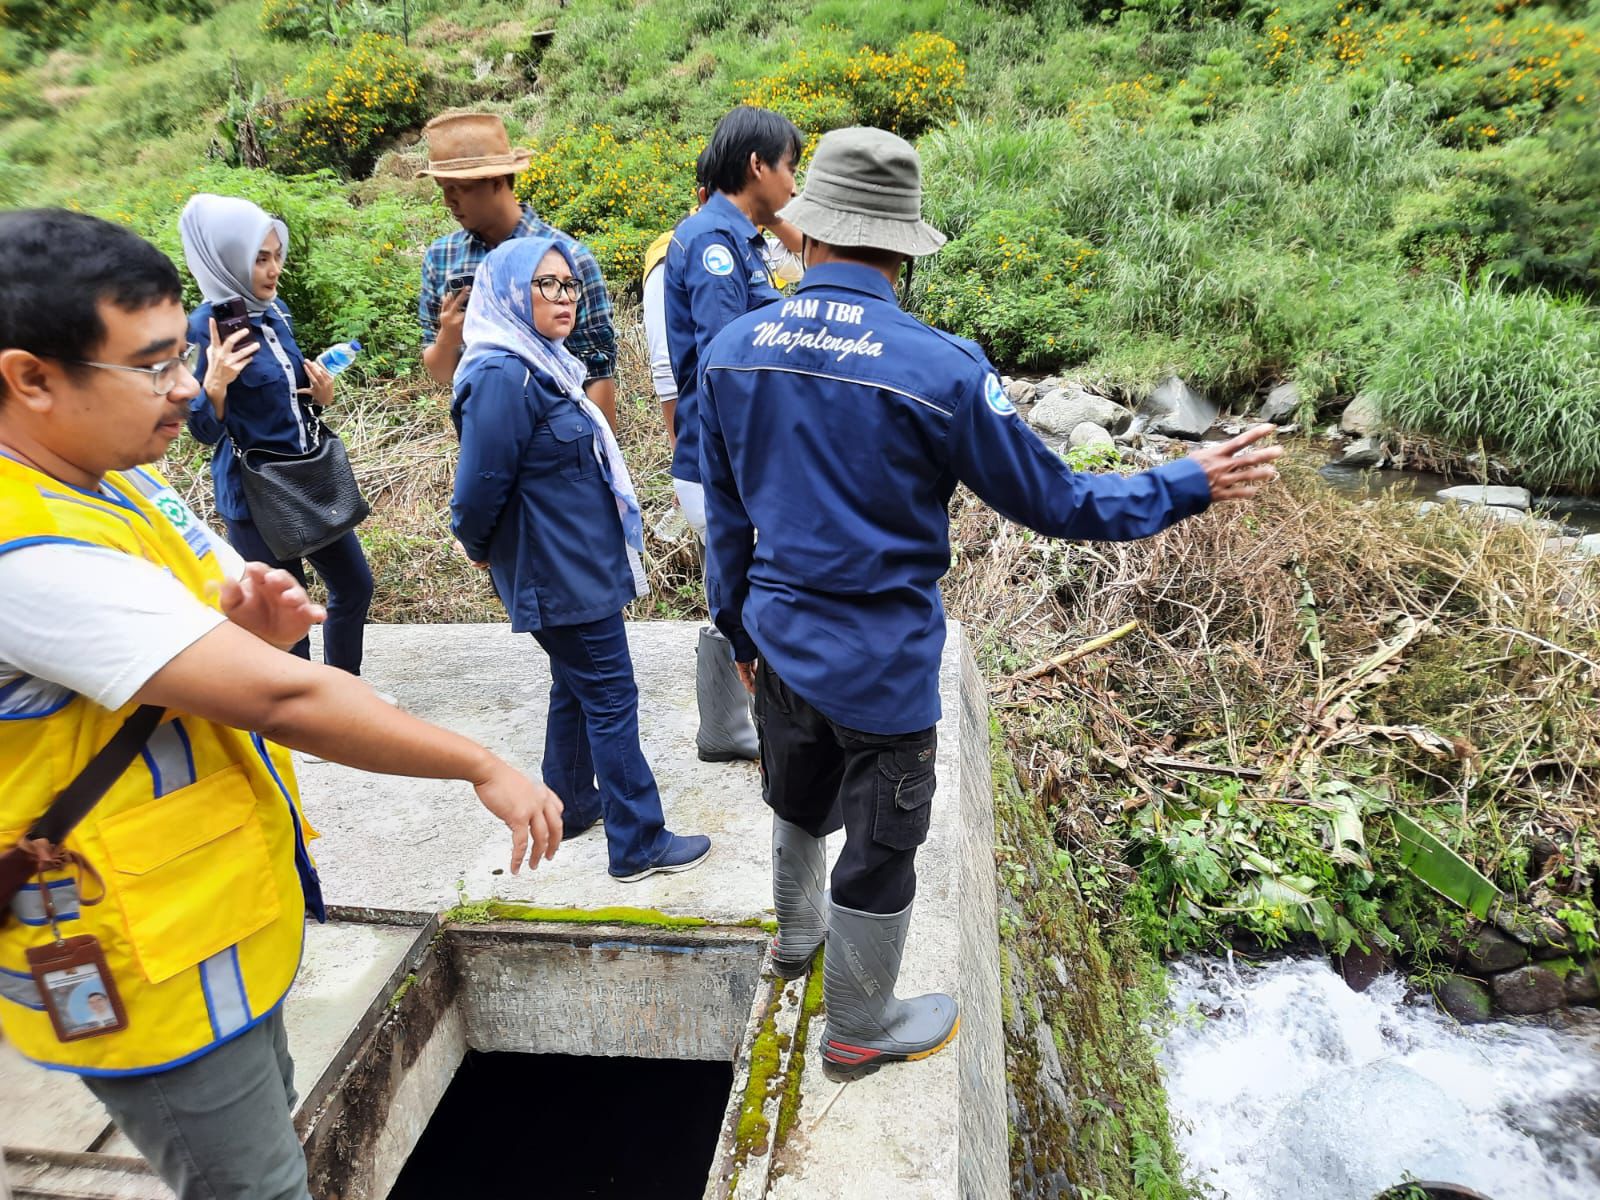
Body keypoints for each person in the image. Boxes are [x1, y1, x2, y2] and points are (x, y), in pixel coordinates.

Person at [0, 209, 564, 1200]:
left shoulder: (113, 481)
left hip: (217, 917)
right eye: (153, 366)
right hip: (145, 966)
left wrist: (236, 635)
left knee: (277, 1143)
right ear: (32, 378)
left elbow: (218, 630)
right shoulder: (25, 554)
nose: (186, 389)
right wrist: (477, 760)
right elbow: (285, 695)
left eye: (184, 357)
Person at [698, 127, 1283, 1077]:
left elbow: (725, 519)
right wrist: (1184, 480)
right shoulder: (940, 372)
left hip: (776, 637)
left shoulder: (732, 348)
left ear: (807, 235)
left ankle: (795, 942)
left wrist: (738, 627)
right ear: (903, 248)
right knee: (882, 847)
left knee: (798, 797)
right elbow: (1059, 502)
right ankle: (857, 1028)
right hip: (880, 667)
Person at [450, 236, 711, 883]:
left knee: (577, 684)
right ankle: (639, 842)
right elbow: (478, 489)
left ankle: (572, 798)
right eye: (547, 285)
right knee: (611, 694)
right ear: (512, 292)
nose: (564, 298)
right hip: (556, 573)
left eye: (570, 286)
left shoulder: (544, 364)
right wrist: (481, 550)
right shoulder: (501, 375)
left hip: (577, 566)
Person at [181, 194, 374, 674]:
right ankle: (302, 715)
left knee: (354, 585)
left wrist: (319, 394)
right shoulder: (204, 329)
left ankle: (341, 690)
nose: (273, 271)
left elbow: (288, 394)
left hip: (307, 475)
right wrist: (216, 384)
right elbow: (203, 429)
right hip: (256, 490)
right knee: (289, 613)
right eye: (259, 259)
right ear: (225, 260)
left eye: (276, 257)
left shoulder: (276, 312)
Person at [663, 106, 802, 763]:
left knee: (738, 573)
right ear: (758, 166)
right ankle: (734, 726)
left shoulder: (740, 238)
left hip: (738, 450)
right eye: (790, 167)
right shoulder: (713, 243)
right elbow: (727, 360)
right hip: (723, 452)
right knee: (737, 577)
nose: (795, 183)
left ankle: (736, 724)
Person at [418, 111, 618, 430]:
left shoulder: (569, 259)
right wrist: (449, 337)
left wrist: (600, 464)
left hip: (559, 445)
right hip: (483, 444)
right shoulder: (442, 258)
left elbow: (596, 371)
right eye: (443, 187)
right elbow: (442, 374)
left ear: (497, 180)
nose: (448, 200)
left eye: (458, 188)